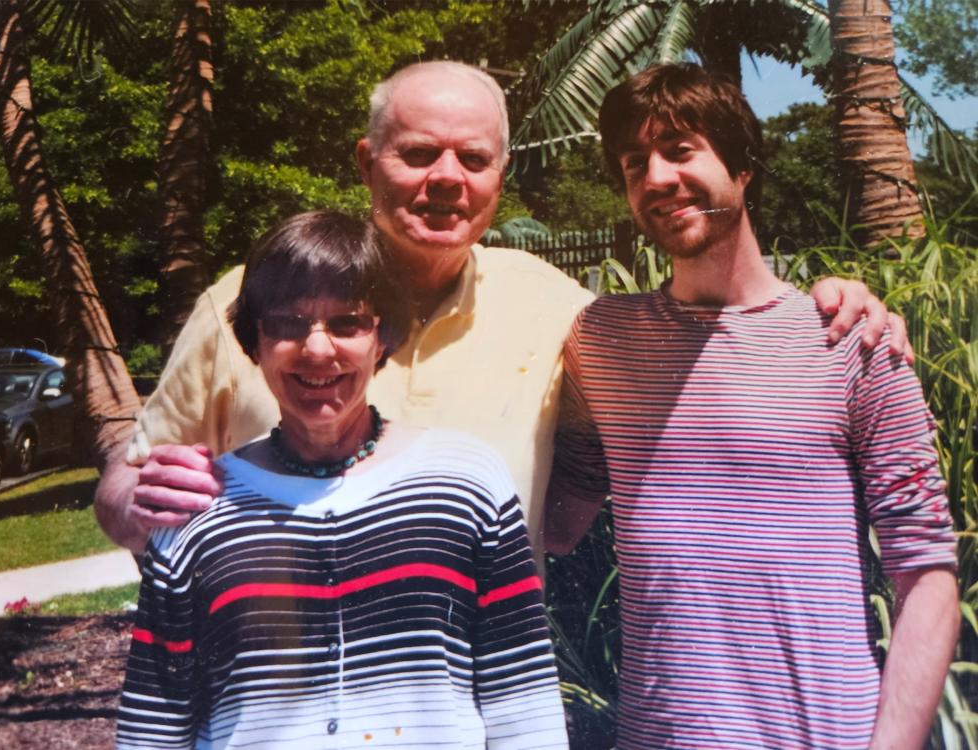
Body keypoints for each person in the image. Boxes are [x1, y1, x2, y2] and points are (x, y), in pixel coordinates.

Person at [94, 60, 903, 561]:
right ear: (366, 162)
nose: (447, 178)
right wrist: (136, 504)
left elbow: (704, 338)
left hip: (483, 704)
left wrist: (834, 308)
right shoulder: (245, 303)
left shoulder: (558, 310)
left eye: (473, 159)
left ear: (500, 175)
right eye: (418, 154)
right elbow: (120, 493)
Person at [544, 63, 959, 749]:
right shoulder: (599, 341)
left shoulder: (853, 338)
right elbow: (557, 523)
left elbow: (927, 574)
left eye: (680, 151)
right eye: (633, 164)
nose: (655, 179)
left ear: (742, 169)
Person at [115, 211, 569, 749]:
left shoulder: (468, 484)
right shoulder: (199, 510)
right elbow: (153, 729)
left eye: (348, 323)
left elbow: (524, 708)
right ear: (253, 342)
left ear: (384, 336)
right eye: (287, 322)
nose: (317, 348)